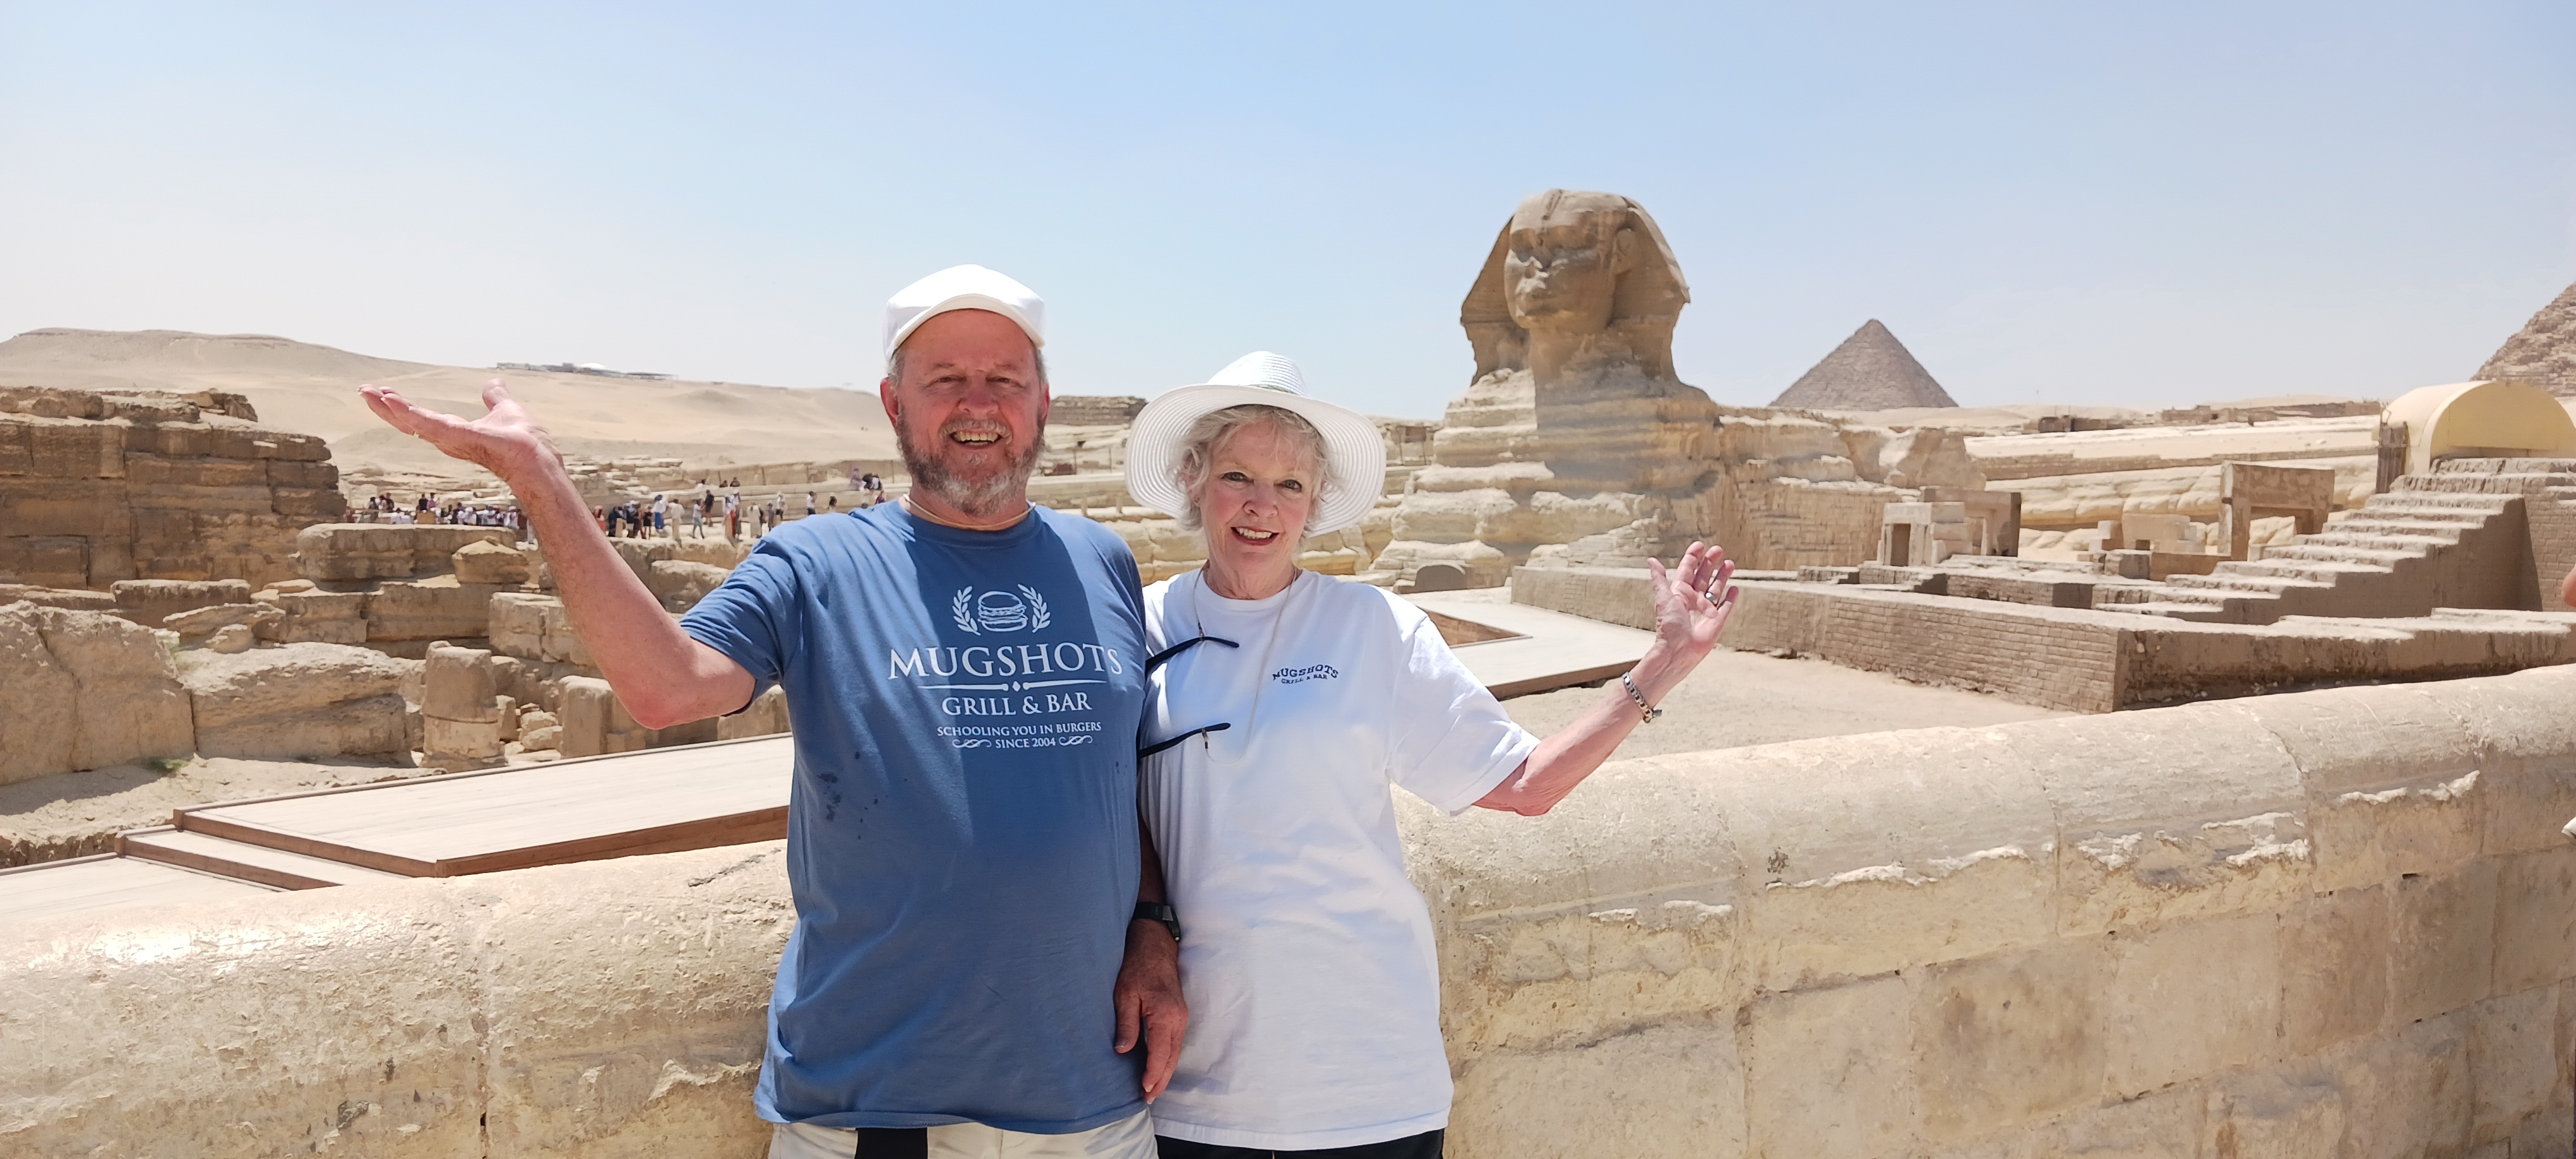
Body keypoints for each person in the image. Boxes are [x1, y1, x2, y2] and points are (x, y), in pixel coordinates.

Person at [356, 264, 1184, 1159]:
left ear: (1043, 401)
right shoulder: (815, 561)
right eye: (945, 380)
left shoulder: (1099, 560)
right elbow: (666, 687)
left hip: (1090, 1098)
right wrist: (540, 479)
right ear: (893, 403)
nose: (977, 404)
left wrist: (1153, 927)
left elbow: (1115, 774)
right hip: (878, 1098)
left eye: (1004, 381)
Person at [1123, 352, 1738, 1158]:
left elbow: (1525, 785)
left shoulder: (1376, 627)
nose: (1262, 507)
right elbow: (1108, 804)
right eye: (1238, 476)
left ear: (1316, 506)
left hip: (1365, 1077)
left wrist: (1667, 663)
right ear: (1193, 479)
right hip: (1193, 1077)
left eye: (1291, 486)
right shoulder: (1136, 627)